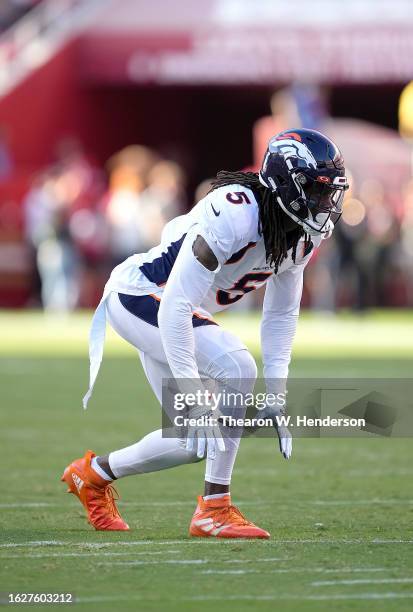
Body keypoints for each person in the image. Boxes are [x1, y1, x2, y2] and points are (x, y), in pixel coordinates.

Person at [61, 129, 348, 538]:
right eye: (316, 190)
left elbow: (281, 311)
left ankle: (92, 474)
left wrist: (278, 391)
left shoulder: (304, 231)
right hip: (142, 295)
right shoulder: (234, 212)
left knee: (190, 442)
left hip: (175, 308)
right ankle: (215, 507)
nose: (325, 203)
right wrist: (196, 396)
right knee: (236, 365)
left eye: (330, 192)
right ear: (286, 183)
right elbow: (175, 307)